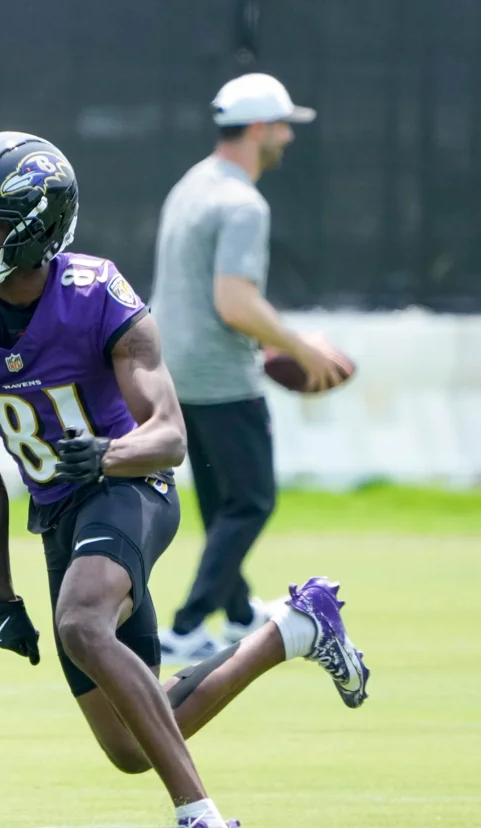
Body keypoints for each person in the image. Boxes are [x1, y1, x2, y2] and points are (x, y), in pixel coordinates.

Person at [0, 131, 370, 828]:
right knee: (130, 745)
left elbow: (168, 436)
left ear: (38, 227)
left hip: (129, 487)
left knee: (80, 622)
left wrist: (107, 453)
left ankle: (205, 826)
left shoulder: (94, 294)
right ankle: (293, 629)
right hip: (58, 513)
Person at [150, 74, 348, 664]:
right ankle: (187, 626)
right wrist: (301, 347)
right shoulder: (242, 204)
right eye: (284, 126)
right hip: (221, 376)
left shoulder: (192, 184)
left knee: (221, 503)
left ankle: (238, 613)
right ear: (259, 128)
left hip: (174, 369)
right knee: (253, 501)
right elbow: (234, 303)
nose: (289, 137)